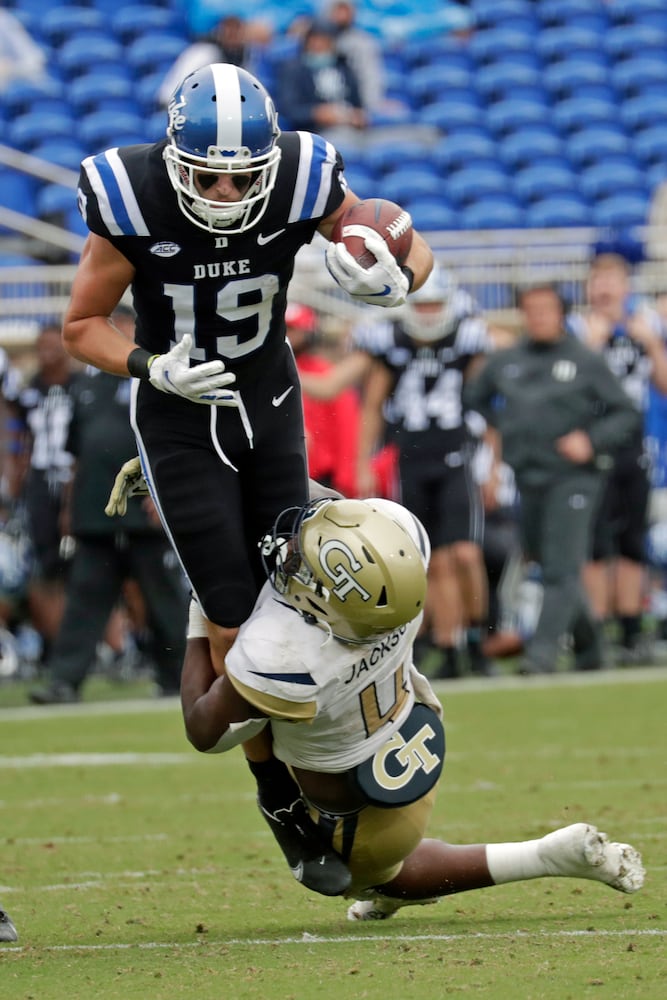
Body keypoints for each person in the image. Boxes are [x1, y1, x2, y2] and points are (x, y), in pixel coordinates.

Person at [64, 61, 432, 891]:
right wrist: (150, 366)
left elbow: (410, 251)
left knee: (303, 594)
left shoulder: (307, 174)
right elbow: (79, 325)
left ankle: (341, 756)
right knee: (238, 631)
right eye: (207, 174)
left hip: (267, 397)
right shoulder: (131, 193)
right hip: (177, 415)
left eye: (243, 173)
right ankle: (277, 799)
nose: (226, 190)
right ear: (173, 160)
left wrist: (394, 277)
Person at [179, 492, 644, 919]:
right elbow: (353, 519)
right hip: (409, 726)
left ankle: (544, 855)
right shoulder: (403, 548)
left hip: (351, 807)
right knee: (253, 679)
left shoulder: (295, 656)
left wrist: (204, 599)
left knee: (377, 878)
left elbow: (205, 729)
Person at [464, 282, 641, 674]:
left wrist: (591, 440)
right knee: (545, 559)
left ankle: (540, 656)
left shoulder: (583, 359)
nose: (539, 316)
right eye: (531, 309)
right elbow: (474, 396)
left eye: (546, 308)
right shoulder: (508, 360)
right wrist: (504, 427)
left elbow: (625, 412)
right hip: (528, 476)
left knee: (560, 568)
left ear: (561, 313)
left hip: (575, 477)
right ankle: (592, 649)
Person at [28, 308, 190, 705]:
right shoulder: (85, 385)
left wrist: (163, 492)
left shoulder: (159, 377)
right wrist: (69, 507)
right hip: (94, 509)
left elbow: (173, 442)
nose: (115, 334)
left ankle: (182, 678)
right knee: (84, 597)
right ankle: (64, 681)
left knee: (163, 599)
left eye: (122, 327)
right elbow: (75, 455)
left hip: (145, 509)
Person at [353, 264, 494, 678]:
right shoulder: (389, 342)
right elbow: (372, 408)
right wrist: (362, 462)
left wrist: (493, 461)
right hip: (411, 460)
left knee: (465, 554)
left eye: (437, 304)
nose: (430, 313)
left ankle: (477, 637)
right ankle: (452, 645)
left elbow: (487, 395)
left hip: (457, 456)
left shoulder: (469, 338)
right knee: (436, 562)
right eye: (423, 303)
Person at [568, 245, 667, 665]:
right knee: (595, 544)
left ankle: (630, 630)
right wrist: (594, 341)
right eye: (599, 280)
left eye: (613, 280)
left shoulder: (644, 325)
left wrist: (650, 343)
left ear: (626, 286)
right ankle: (598, 631)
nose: (605, 288)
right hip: (593, 444)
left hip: (634, 447)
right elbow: (567, 386)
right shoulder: (578, 328)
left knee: (631, 543)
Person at [6, 324, 87, 657]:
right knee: (44, 567)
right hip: (39, 482)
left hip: (76, 480)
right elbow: (17, 438)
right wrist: (15, 478)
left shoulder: (82, 389)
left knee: (83, 567)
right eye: (41, 346)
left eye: (53, 345)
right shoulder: (29, 391)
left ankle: (92, 645)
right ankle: (56, 647)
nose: (46, 352)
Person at [285, 301, 360, 498]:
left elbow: (345, 426)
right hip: (283, 474)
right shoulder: (265, 373)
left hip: (321, 478)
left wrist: (346, 478)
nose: (287, 336)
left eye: (293, 330)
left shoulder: (323, 373)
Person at [274, 20, 366, 142]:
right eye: (314, 41)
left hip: (349, 128)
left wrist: (356, 116)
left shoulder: (344, 68)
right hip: (314, 133)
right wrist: (317, 113)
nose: (318, 46)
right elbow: (288, 109)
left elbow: (358, 105)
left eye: (324, 41)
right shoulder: (294, 69)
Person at [157, 15, 271, 109]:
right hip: (186, 107)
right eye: (228, 29)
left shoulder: (247, 54)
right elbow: (177, 88)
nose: (232, 35)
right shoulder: (203, 52)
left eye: (236, 30)